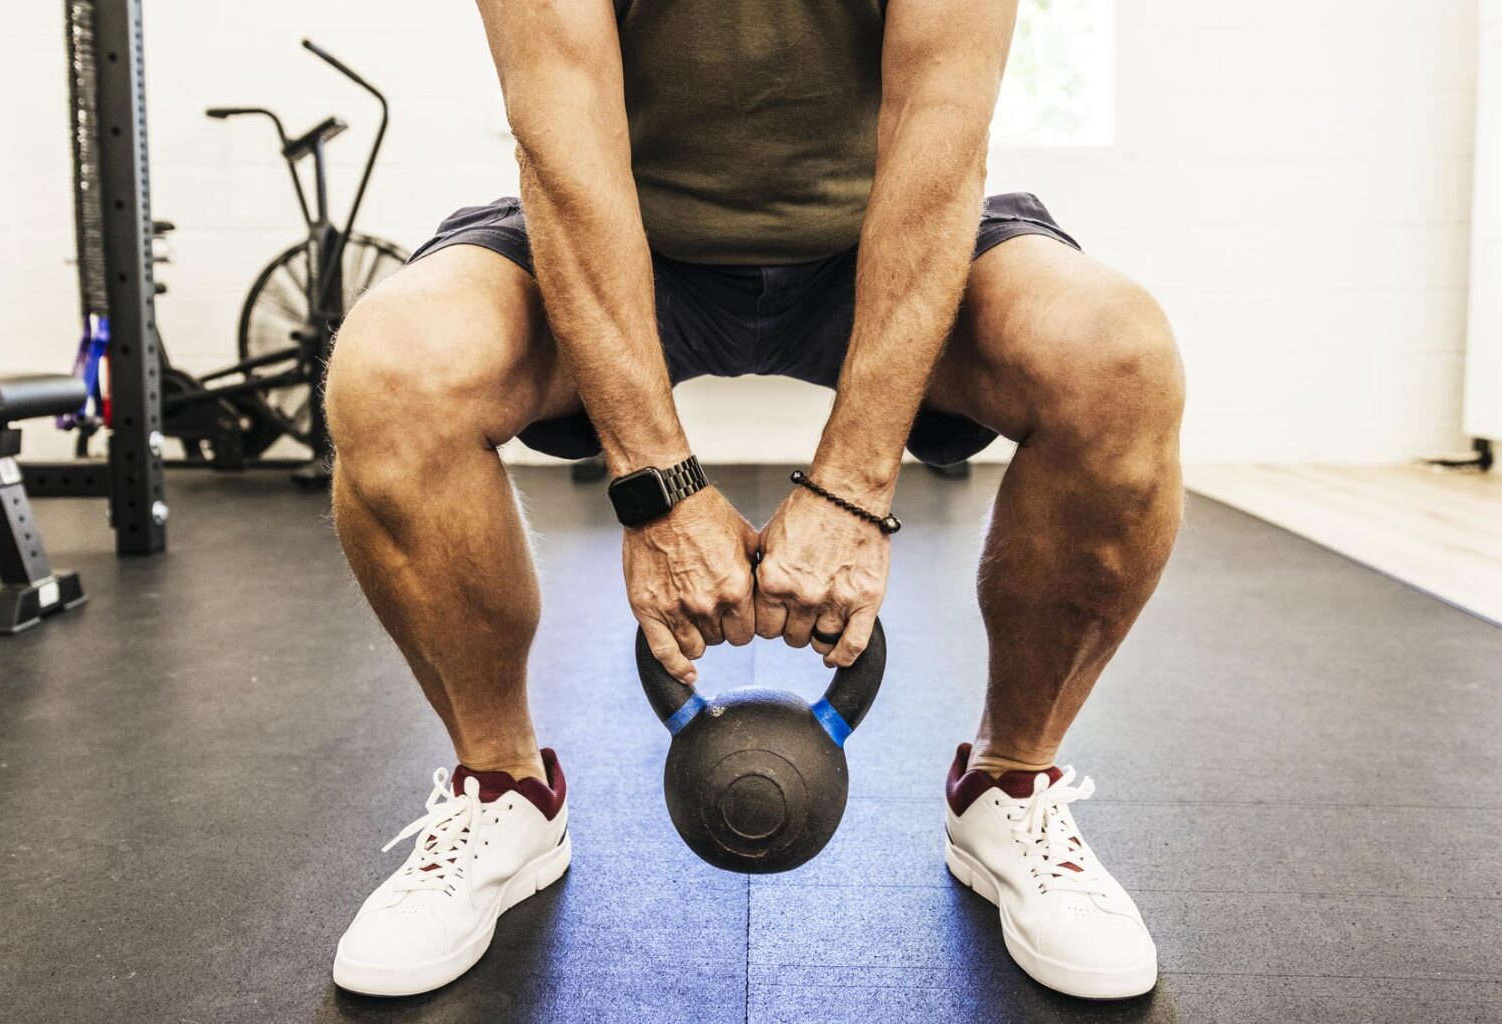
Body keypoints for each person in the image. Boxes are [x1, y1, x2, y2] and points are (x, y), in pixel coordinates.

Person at [323, 0, 1183, 1001]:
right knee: (391, 373)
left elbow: (938, 144)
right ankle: (503, 790)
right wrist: (660, 490)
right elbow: (564, 148)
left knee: (1116, 360)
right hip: (621, 231)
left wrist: (853, 491)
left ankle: (1011, 787)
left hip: (886, 229)